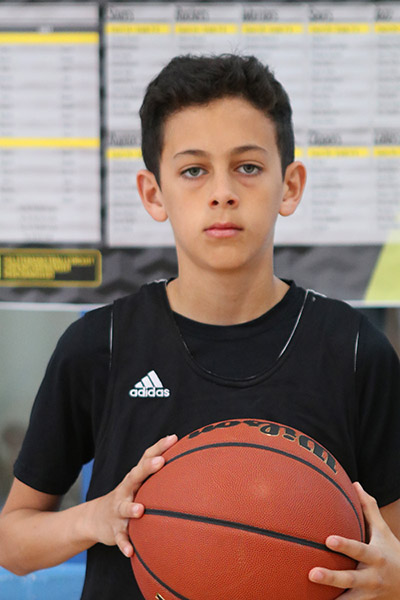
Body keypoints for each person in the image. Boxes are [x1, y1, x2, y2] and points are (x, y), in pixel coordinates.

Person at [0, 54, 400, 599]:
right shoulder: (100, 345)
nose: (222, 192)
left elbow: (390, 554)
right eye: (193, 170)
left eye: (248, 167)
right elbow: (12, 540)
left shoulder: (354, 351)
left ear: (290, 186)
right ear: (153, 194)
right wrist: (97, 517)